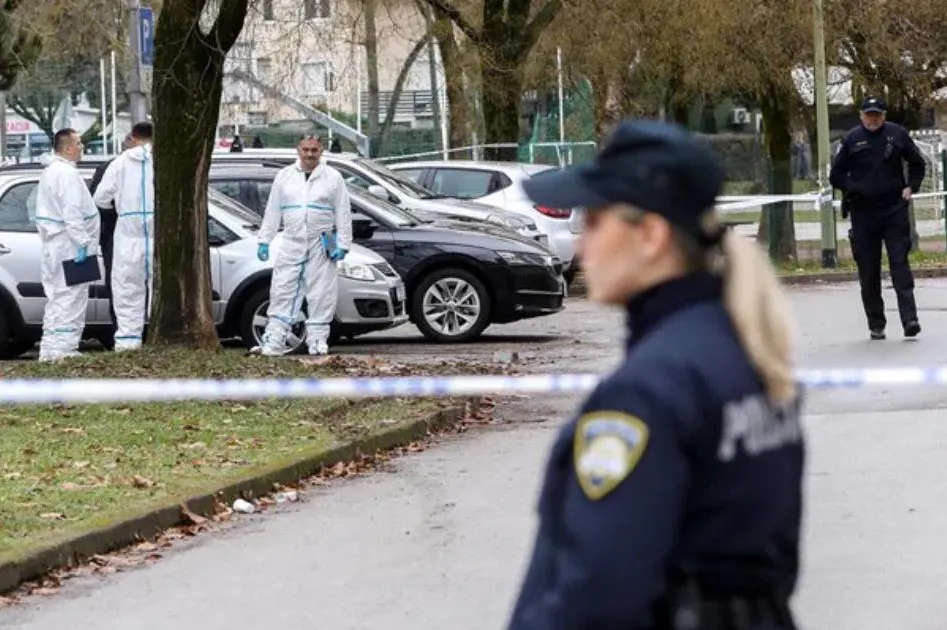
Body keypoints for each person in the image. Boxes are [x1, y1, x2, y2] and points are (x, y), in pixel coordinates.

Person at [506, 120, 804, 630]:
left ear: (649, 235)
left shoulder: (645, 392)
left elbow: (598, 599)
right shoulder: (748, 354)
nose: (582, 248)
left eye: (596, 223)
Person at [830, 97, 926, 340]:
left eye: (878, 114)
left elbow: (918, 163)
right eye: (869, 114)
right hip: (863, 212)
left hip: (893, 209)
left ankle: (910, 320)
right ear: (862, 116)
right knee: (868, 271)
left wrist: (911, 187)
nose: (873, 119)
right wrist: (854, 187)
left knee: (899, 265)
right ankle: (876, 323)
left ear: (884, 115)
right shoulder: (852, 139)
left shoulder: (897, 134)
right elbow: (836, 175)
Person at [253, 135, 352, 356]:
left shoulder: (333, 178)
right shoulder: (285, 176)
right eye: (305, 149)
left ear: (321, 151)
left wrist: (343, 243)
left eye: (314, 150)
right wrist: (264, 240)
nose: (309, 154)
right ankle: (275, 340)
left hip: (321, 243)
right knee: (282, 290)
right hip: (292, 242)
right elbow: (273, 211)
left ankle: (317, 341)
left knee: (321, 292)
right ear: (298, 149)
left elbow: (343, 212)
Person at [34, 129, 101, 362]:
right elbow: (72, 212)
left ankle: (50, 349)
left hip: (55, 245)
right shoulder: (67, 175)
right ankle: (65, 350)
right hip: (71, 246)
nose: (82, 147)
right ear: (67, 148)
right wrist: (83, 242)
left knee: (56, 298)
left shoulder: (50, 172)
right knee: (71, 298)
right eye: (79, 143)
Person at [92, 122, 154, 352]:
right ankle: (159, 337)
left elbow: (100, 198)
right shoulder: (165, 162)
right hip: (159, 235)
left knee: (127, 289)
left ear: (133, 137)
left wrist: (117, 211)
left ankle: (128, 344)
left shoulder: (119, 164)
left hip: (128, 234)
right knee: (158, 291)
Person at [89, 132, 135, 347]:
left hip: (118, 236)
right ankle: (119, 333)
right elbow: (97, 204)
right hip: (115, 237)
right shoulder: (111, 167)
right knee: (119, 287)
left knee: (126, 286)